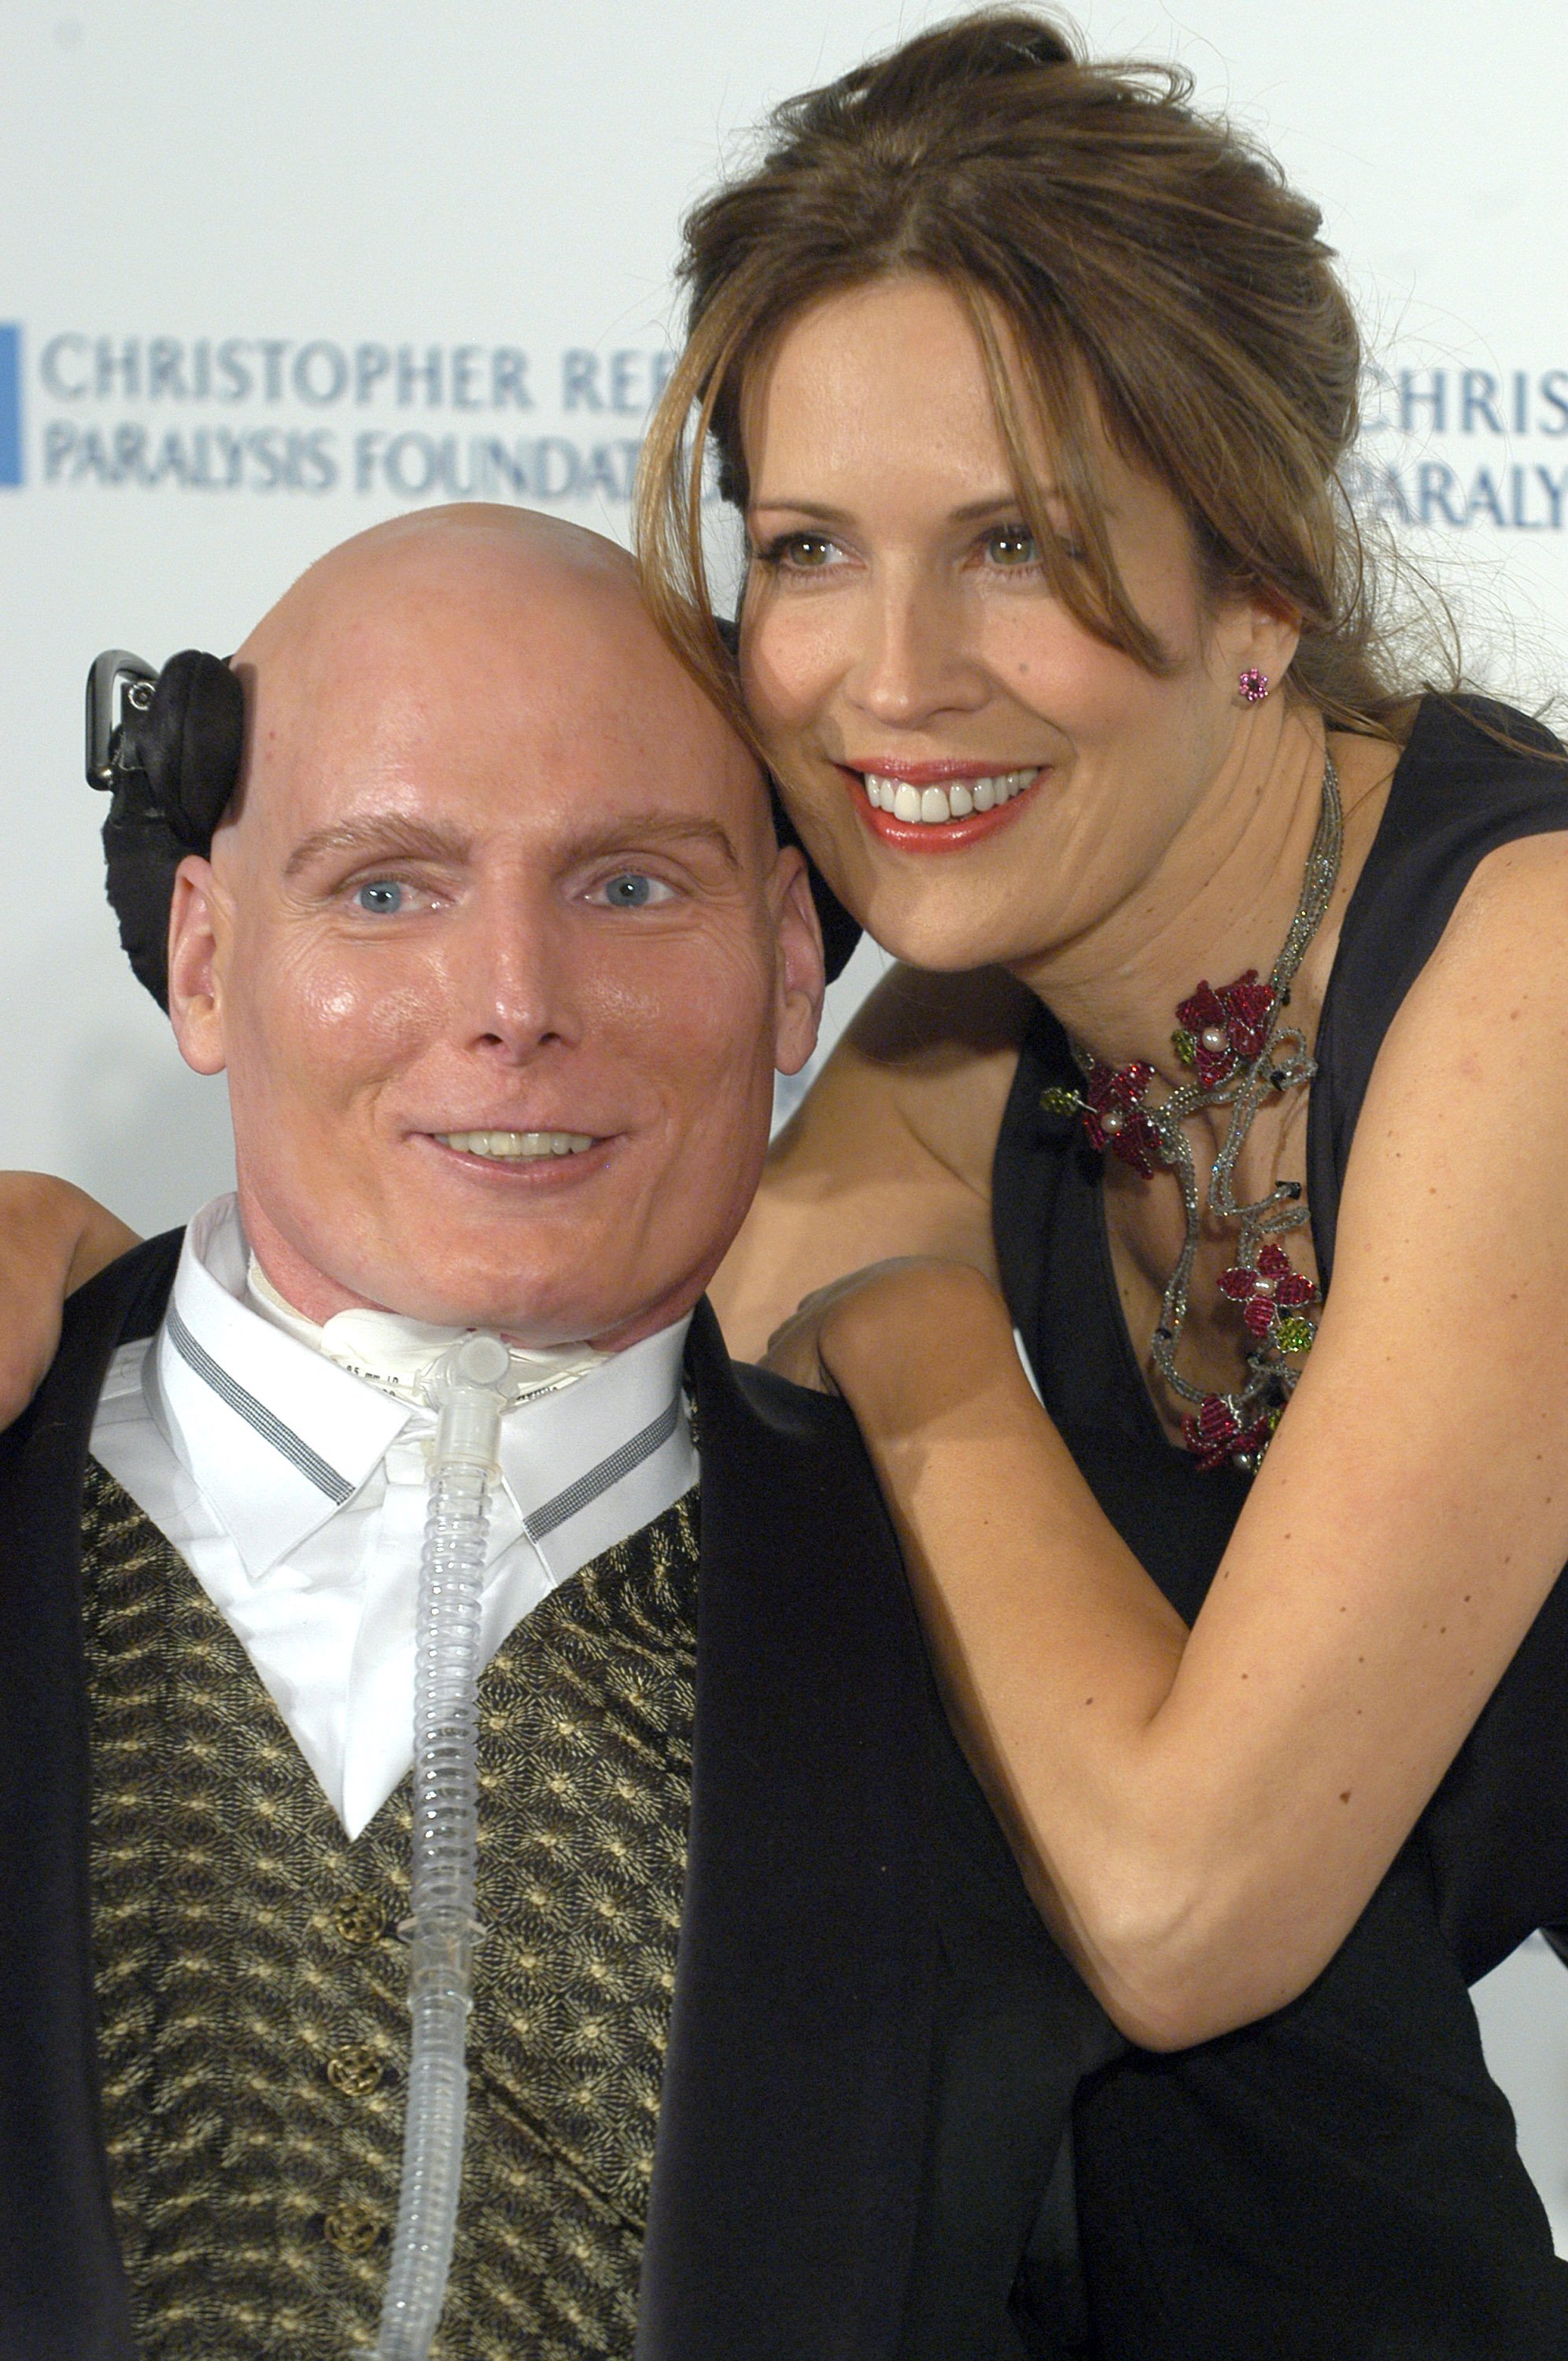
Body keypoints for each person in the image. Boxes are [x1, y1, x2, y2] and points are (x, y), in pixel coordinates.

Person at [5, 13, 1568, 2352]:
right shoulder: (976, 1024)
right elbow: (468, 1236)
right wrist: (117, 1310)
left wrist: (892, 1303)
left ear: (1262, 595)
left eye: (1016, 545)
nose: (889, 676)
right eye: (814, 548)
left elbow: (1182, 1915)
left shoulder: (1520, 970)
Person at [0, 504, 1140, 2361]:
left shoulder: (1015, 1646)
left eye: (628, 887)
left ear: (791, 961)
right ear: (202, 959)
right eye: (388, 889)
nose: (515, 1006)